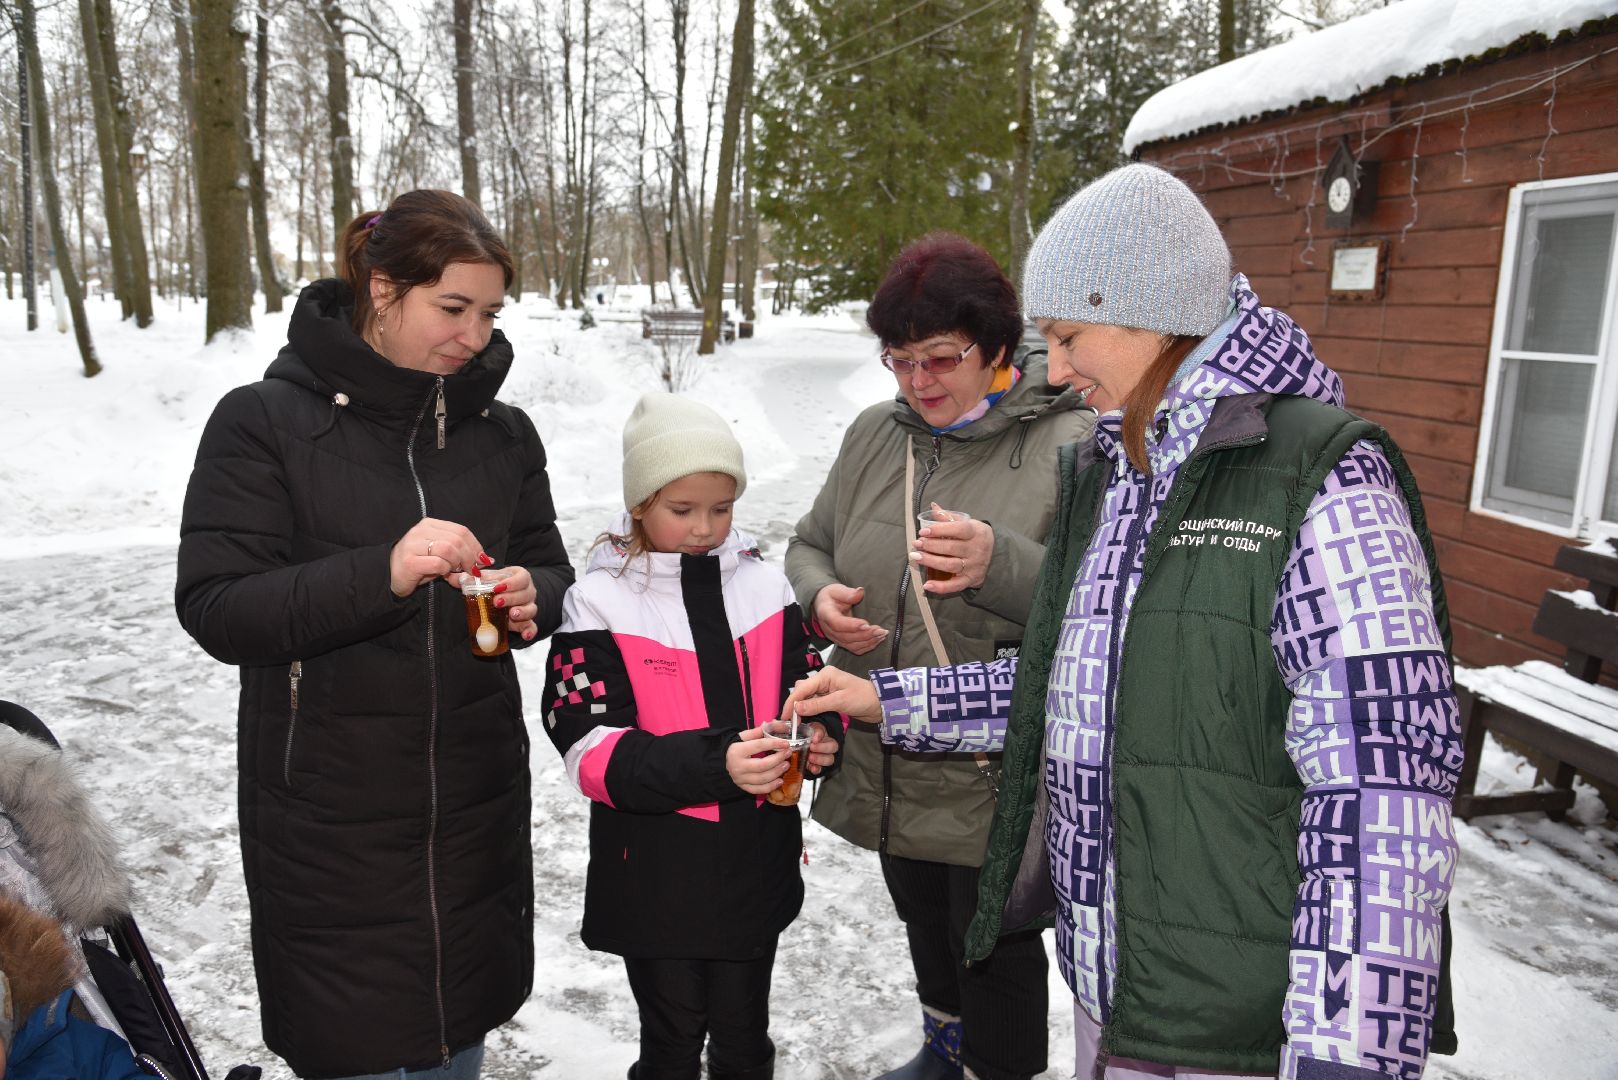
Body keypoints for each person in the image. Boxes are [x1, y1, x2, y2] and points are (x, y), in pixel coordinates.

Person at [783, 164, 1462, 1080]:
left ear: (1154, 312)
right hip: (1118, 989)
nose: (1056, 370)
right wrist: (886, 702)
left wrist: (1350, 1056)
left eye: (1067, 338)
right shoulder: (1123, 467)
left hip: (1246, 1020)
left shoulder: (1325, 480)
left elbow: (1383, 804)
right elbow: (1076, 683)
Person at [175, 190, 574, 1079]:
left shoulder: (504, 435)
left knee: (457, 1040)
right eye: (454, 308)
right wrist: (382, 573)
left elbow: (552, 568)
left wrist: (532, 595)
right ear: (384, 290)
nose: (475, 336)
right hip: (329, 820)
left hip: (473, 806)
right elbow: (218, 605)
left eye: (491, 313)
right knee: (357, 1043)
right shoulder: (263, 422)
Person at [786, 232, 1091, 1080]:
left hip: (992, 765)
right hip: (888, 752)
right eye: (900, 359)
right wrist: (821, 595)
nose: (918, 382)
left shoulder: (1077, 443)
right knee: (923, 919)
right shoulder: (876, 435)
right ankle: (944, 1050)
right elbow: (809, 543)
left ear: (996, 347)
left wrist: (1004, 564)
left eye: (941, 358)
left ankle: (997, 1068)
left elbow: (1106, 609)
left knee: (992, 945)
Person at [542, 394, 839, 1080]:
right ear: (639, 504)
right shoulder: (597, 602)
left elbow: (808, 688)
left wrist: (822, 735)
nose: (704, 528)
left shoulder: (765, 587)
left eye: (721, 508)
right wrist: (718, 764)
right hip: (655, 870)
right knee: (672, 1043)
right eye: (682, 509)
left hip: (755, 860)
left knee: (744, 1038)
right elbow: (588, 750)